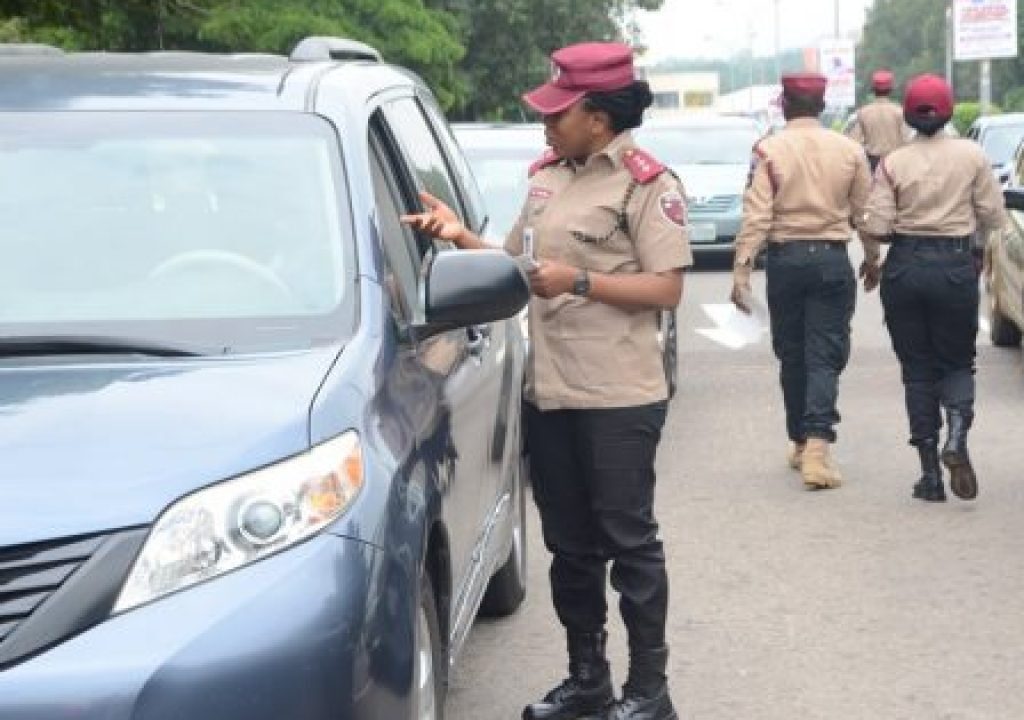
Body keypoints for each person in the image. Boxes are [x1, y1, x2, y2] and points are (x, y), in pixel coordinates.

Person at [402, 42, 691, 720]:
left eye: (560, 113)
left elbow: (668, 288)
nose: (546, 123)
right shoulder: (545, 179)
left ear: (599, 117)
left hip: (618, 395)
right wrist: (457, 239)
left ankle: (650, 692)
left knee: (629, 543)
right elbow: (514, 266)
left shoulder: (646, 184)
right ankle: (587, 680)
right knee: (569, 545)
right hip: (550, 393)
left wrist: (581, 280)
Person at [859, 74, 1006, 502]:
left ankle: (930, 477)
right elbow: (994, 216)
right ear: (947, 110)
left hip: (905, 270)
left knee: (917, 371)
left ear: (907, 113)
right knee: (958, 363)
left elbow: (881, 226)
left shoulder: (893, 162)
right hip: (956, 268)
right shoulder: (973, 156)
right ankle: (957, 436)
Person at [730, 72, 873, 490]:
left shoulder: (767, 151)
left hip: (786, 262)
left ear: (784, 106)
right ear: (822, 107)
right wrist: (874, 258)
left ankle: (800, 441)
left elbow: (756, 216)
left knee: (792, 353)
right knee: (825, 354)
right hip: (831, 260)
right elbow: (864, 211)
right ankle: (816, 448)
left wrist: (741, 273)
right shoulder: (850, 150)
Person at [846, 69, 908, 172]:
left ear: (873, 89)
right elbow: (907, 139)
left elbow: (854, 141)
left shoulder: (862, 113)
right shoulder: (900, 112)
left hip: (872, 165)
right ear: (891, 89)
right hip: (895, 163)